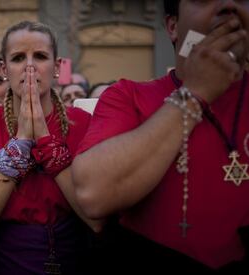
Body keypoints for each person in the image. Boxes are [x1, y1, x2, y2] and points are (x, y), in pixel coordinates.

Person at [72, 0, 249, 272]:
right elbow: (93, 194)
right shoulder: (128, 96)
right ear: (173, 26)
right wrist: (195, 93)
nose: (227, 5)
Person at [0, 21, 103, 274]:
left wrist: (44, 139)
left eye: (40, 56)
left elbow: (96, 220)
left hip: (75, 255)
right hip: (6, 260)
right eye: (19, 57)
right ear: (5, 68)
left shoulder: (82, 122)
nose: (30, 66)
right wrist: (21, 141)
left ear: (56, 67)